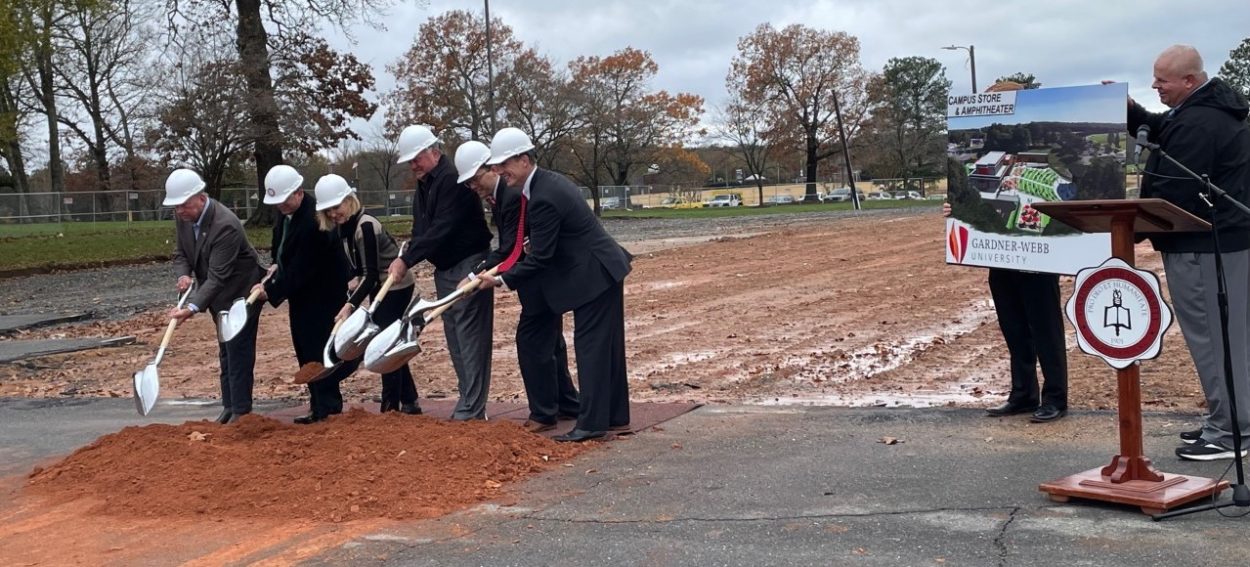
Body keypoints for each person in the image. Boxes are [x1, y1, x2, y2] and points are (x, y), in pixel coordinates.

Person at [1129, 45, 1250, 461]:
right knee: (1227, 336)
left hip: (1204, 247)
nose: (1154, 86)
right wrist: (1129, 110)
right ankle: (1229, 417)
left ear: (1189, 82)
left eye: (1162, 80)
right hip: (1218, 244)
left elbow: (1177, 193)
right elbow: (1163, 128)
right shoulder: (1202, 113)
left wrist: (1131, 224)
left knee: (1214, 339)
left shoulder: (1199, 124)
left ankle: (1232, 430)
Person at [478, 127, 633, 442]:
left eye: (503, 164)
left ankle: (590, 425)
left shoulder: (543, 196)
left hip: (595, 275)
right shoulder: (544, 184)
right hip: (602, 271)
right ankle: (615, 417)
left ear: (523, 160)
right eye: (495, 166)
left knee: (592, 349)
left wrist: (501, 279)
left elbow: (542, 258)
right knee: (607, 350)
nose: (498, 171)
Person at [947, 80, 1069, 424]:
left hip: (1036, 257)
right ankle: (1023, 394)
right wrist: (955, 207)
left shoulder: (1030, 141)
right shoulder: (989, 143)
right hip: (1002, 258)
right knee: (1014, 326)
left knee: (1045, 326)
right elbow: (975, 195)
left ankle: (1056, 396)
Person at [454, 140, 580, 432]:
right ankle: (566, 403)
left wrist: (477, 276)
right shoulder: (501, 197)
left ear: (493, 169)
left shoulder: (510, 196)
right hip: (535, 277)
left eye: (476, 179)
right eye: (470, 183)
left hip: (538, 278)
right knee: (551, 343)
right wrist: (477, 274)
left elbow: (511, 249)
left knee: (531, 341)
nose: (474, 187)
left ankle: (543, 414)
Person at [386, 125, 495, 421]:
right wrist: (407, 252)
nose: (412, 165)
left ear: (433, 151)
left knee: (470, 336)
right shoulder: (425, 182)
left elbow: (442, 228)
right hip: (444, 267)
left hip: (468, 261)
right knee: (455, 337)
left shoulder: (449, 179)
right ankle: (468, 402)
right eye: (409, 161)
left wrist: (408, 260)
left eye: (416, 159)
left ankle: (472, 408)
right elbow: (422, 227)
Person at [251, 164, 356, 424]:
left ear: (298, 192)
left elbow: (302, 268)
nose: (280, 206)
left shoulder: (313, 220)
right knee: (305, 349)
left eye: (284, 200)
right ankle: (318, 405)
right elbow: (281, 243)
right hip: (302, 297)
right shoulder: (287, 213)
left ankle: (329, 407)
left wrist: (271, 291)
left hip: (324, 294)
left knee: (321, 349)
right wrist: (275, 263)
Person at [314, 174, 421, 415]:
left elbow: (371, 274)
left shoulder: (365, 226)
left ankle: (390, 405)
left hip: (395, 285)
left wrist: (350, 305)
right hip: (378, 286)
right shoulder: (344, 229)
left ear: (349, 200)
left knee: (383, 344)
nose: (333, 214)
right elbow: (359, 268)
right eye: (328, 211)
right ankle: (410, 400)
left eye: (336, 207)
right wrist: (354, 277)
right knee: (388, 340)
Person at [164, 168, 264, 425]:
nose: (179, 212)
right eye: (175, 207)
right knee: (225, 350)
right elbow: (181, 252)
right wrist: (185, 275)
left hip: (241, 293)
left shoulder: (225, 225)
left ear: (200, 197)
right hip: (217, 295)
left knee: (237, 349)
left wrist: (192, 308)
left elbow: (218, 277)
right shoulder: (184, 217)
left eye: (183, 205)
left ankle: (241, 412)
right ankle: (229, 407)